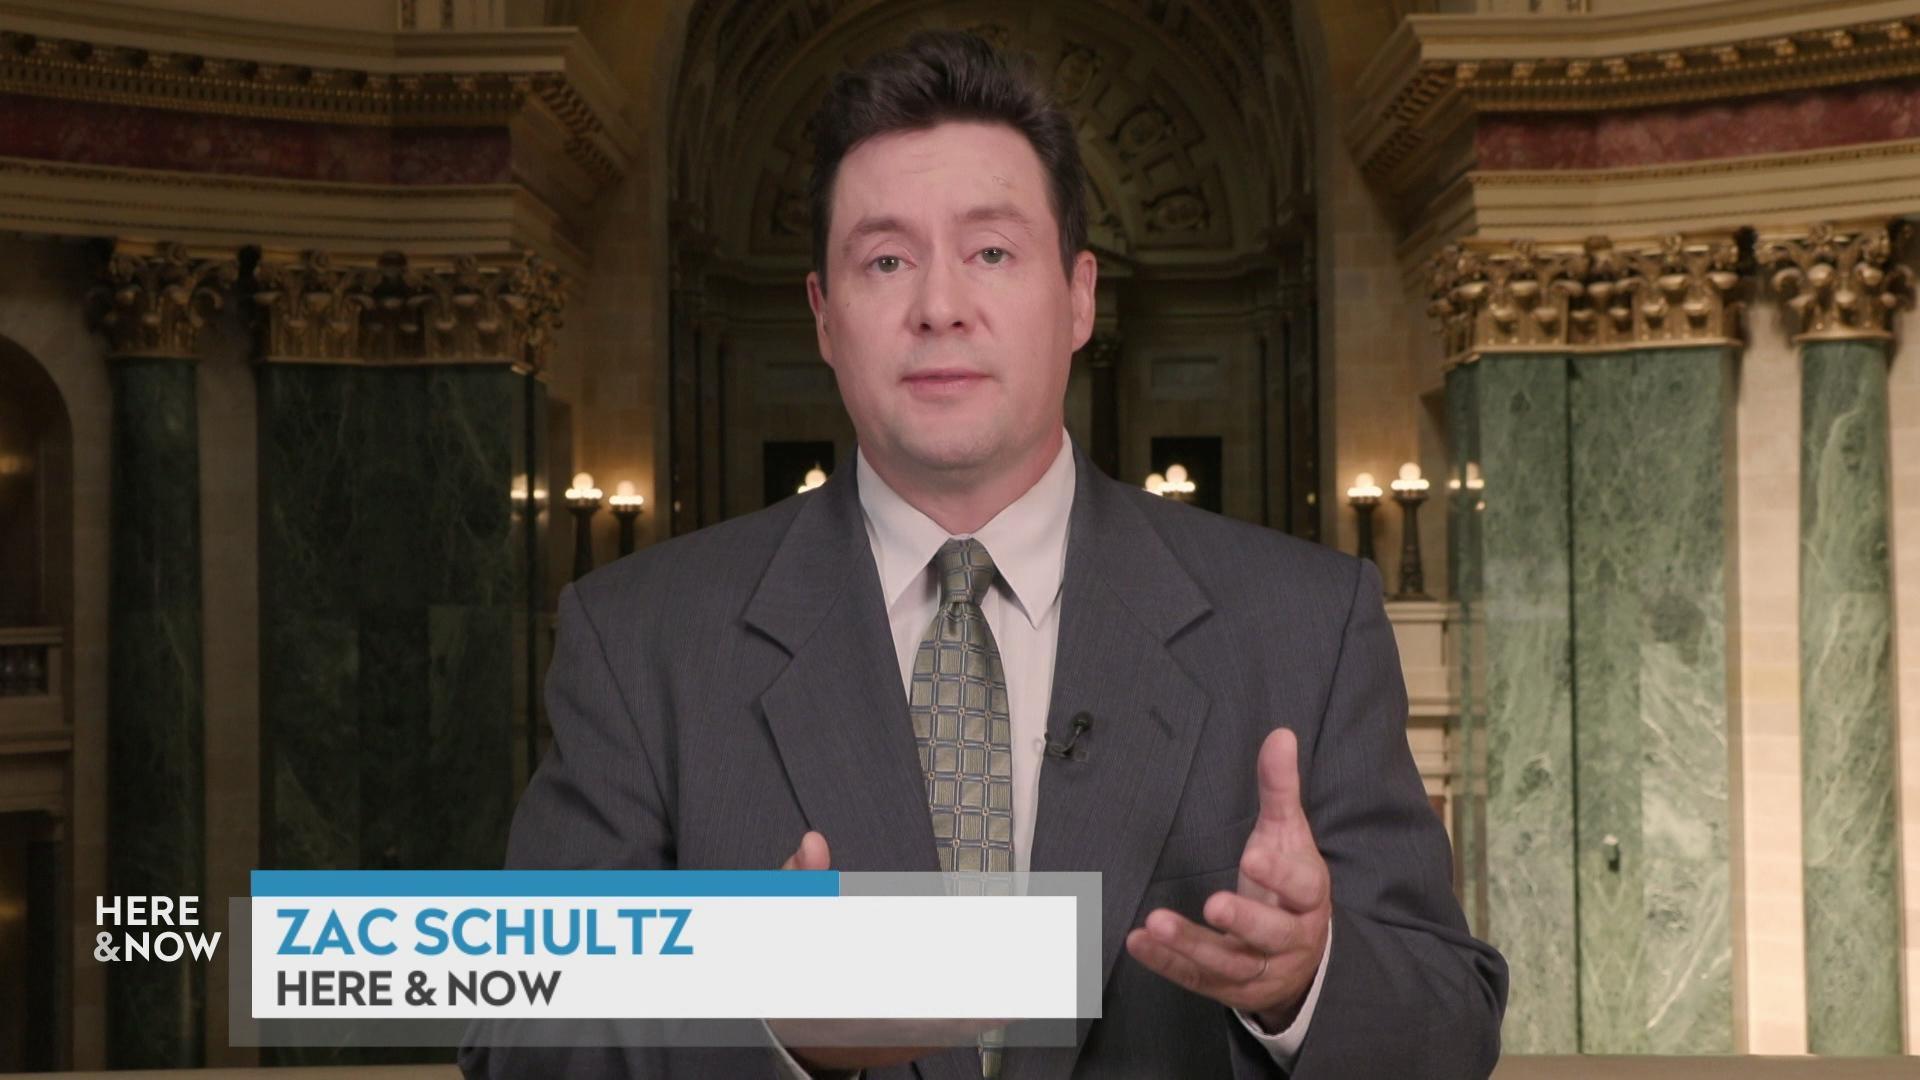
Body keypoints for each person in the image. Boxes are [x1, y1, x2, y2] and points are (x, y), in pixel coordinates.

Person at [461, 29, 1505, 1080]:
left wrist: (1307, 978)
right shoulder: (641, 640)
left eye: (992, 252)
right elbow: (515, 1038)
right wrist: (766, 1026)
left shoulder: (1304, 625)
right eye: (885, 260)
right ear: (823, 317)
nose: (940, 306)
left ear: (1080, 296)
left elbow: (1450, 1025)